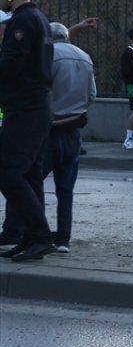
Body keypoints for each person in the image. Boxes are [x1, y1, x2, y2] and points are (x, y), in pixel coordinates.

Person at [1, 22, 96, 253]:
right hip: (73, 130)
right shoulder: (84, 57)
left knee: (25, 183)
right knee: (66, 189)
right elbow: (92, 94)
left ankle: (17, 232)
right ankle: (63, 238)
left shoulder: (48, 56)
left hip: (47, 129)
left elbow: (40, 90)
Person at [0, 0, 57, 261]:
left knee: (7, 173)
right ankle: (32, 237)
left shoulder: (22, 21)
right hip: (37, 106)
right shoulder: (40, 18)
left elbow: (10, 66)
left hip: (25, 108)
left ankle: (38, 234)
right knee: (31, 174)